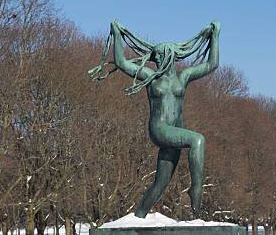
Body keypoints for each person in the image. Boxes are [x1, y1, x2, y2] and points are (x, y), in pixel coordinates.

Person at [89, 20, 220, 218]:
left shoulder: (182, 77)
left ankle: (138, 216)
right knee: (197, 139)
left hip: (174, 133)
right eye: (156, 55)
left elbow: (212, 64)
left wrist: (215, 36)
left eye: (161, 55)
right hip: (159, 130)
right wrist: (117, 34)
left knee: (160, 183)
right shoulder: (151, 77)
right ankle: (196, 189)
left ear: (171, 56)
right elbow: (121, 62)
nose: (157, 59)